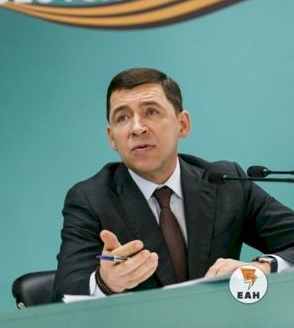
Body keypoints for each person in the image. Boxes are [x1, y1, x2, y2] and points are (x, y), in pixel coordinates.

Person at [53, 67, 294, 300]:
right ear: (112, 138)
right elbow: (64, 292)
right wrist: (106, 282)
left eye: (151, 112)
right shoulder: (91, 200)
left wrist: (263, 267)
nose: (137, 128)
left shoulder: (225, 183)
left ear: (182, 124)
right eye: (123, 117)